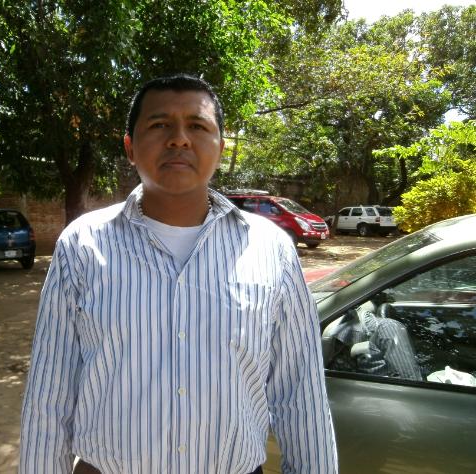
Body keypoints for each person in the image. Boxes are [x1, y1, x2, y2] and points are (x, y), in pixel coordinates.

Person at [19, 74, 338, 474]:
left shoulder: (271, 248)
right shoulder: (83, 245)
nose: (179, 139)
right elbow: (50, 396)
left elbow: (300, 393)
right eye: (159, 124)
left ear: (220, 148)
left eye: (197, 126)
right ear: (130, 148)